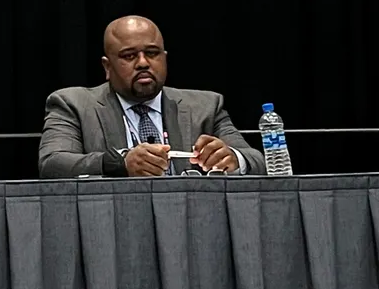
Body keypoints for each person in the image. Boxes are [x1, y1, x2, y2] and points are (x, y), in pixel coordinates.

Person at [39, 15, 263, 178]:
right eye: (129, 56)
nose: (143, 63)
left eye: (152, 53)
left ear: (165, 58)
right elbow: (53, 164)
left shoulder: (205, 106)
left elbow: (256, 161)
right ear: (107, 67)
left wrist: (233, 158)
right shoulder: (73, 105)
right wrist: (120, 163)